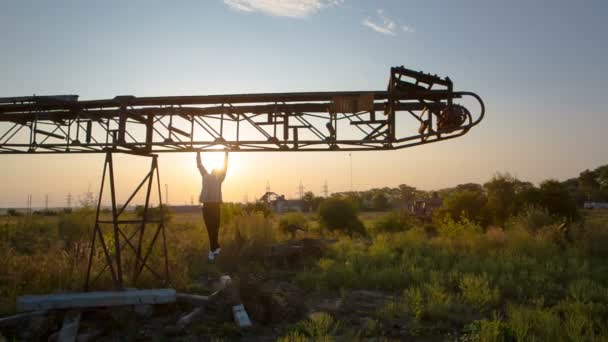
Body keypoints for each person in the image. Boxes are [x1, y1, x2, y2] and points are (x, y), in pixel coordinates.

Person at [197, 151, 229, 262]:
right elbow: (225, 168)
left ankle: (213, 249)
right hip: (213, 207)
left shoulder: (207, 176)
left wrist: (198, 153)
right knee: (213, 228)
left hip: (208, 206)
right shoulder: (217, 179)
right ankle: (214, 248)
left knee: (212, 228)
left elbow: (200, 166)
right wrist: (226, 155)